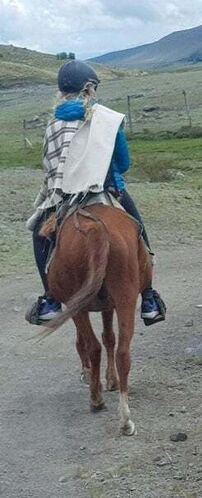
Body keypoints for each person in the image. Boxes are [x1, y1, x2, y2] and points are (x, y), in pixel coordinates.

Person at [27, 60, 165, 325]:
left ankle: (50, 299)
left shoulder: (52, 124)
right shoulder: (108, 120)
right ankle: (148, 297)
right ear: (89, 88)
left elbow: (49, 164)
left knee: (39, 235)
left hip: (64, 196)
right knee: (137, 228)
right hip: (105, 189)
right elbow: (123, 164)